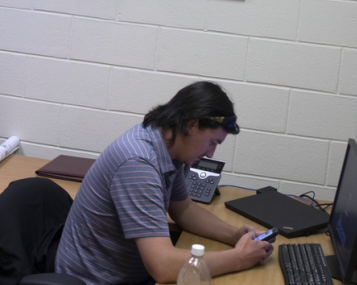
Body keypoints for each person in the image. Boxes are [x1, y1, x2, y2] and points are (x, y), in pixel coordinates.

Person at [54, 81, 274, 285]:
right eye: (211, 142)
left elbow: (184, 209)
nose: (210, 153)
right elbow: (162, 266)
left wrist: (234, 235)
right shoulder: (138, 163)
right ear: (192, 124)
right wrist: (239, 258)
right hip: (95, 281)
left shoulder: (168, 145)